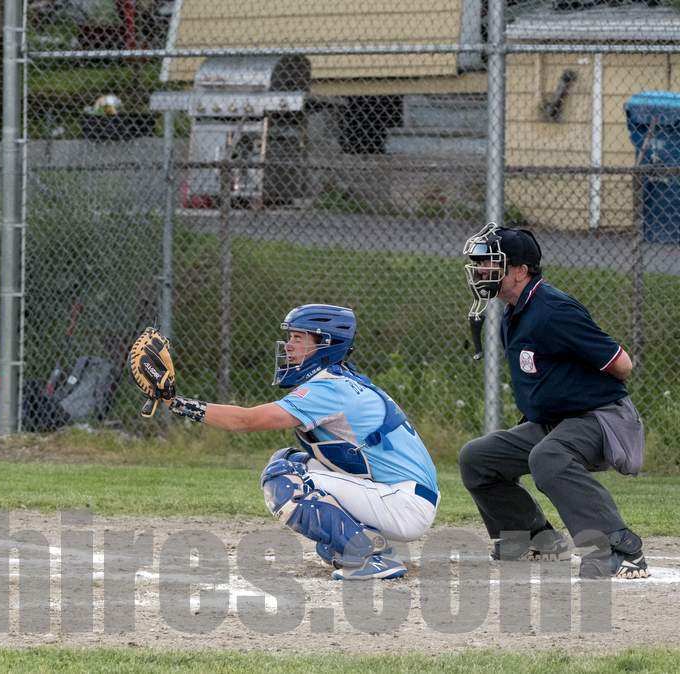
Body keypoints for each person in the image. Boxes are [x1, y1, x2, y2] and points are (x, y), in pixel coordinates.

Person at [165, 304, 440, 580]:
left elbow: (245, 421)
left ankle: (369, 557)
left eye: (299, 338)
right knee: (289, 461)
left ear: (326, 345)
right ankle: (370, 544)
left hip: (403, 504)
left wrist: (175, 403)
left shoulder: (330, 388)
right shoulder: (338, 380)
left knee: (284, 478)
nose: (288, 346)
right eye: (290, 337)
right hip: (401, 497)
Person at [460, 223, 647, 579]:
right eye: (480, 264)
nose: (482, 271)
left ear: (519, 270)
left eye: (491, 264)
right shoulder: (513, 313)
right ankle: (535, 540)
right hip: (558, 423)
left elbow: (622, 365)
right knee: (478, 457)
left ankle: (620, 548)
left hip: (603, 419)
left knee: (548, 456)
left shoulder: (554, 309)